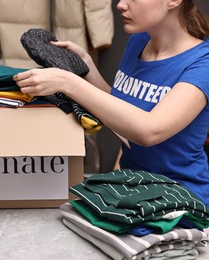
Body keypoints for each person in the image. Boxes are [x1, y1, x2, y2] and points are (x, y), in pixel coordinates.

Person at [13, 0, 209, 206]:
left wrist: (68, 82)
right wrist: (86, 67)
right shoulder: (139, 41)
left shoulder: (202, 63)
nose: (121, 5)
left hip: (181, 198)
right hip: (135, 189)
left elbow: (150, 131)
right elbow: (121, 110)